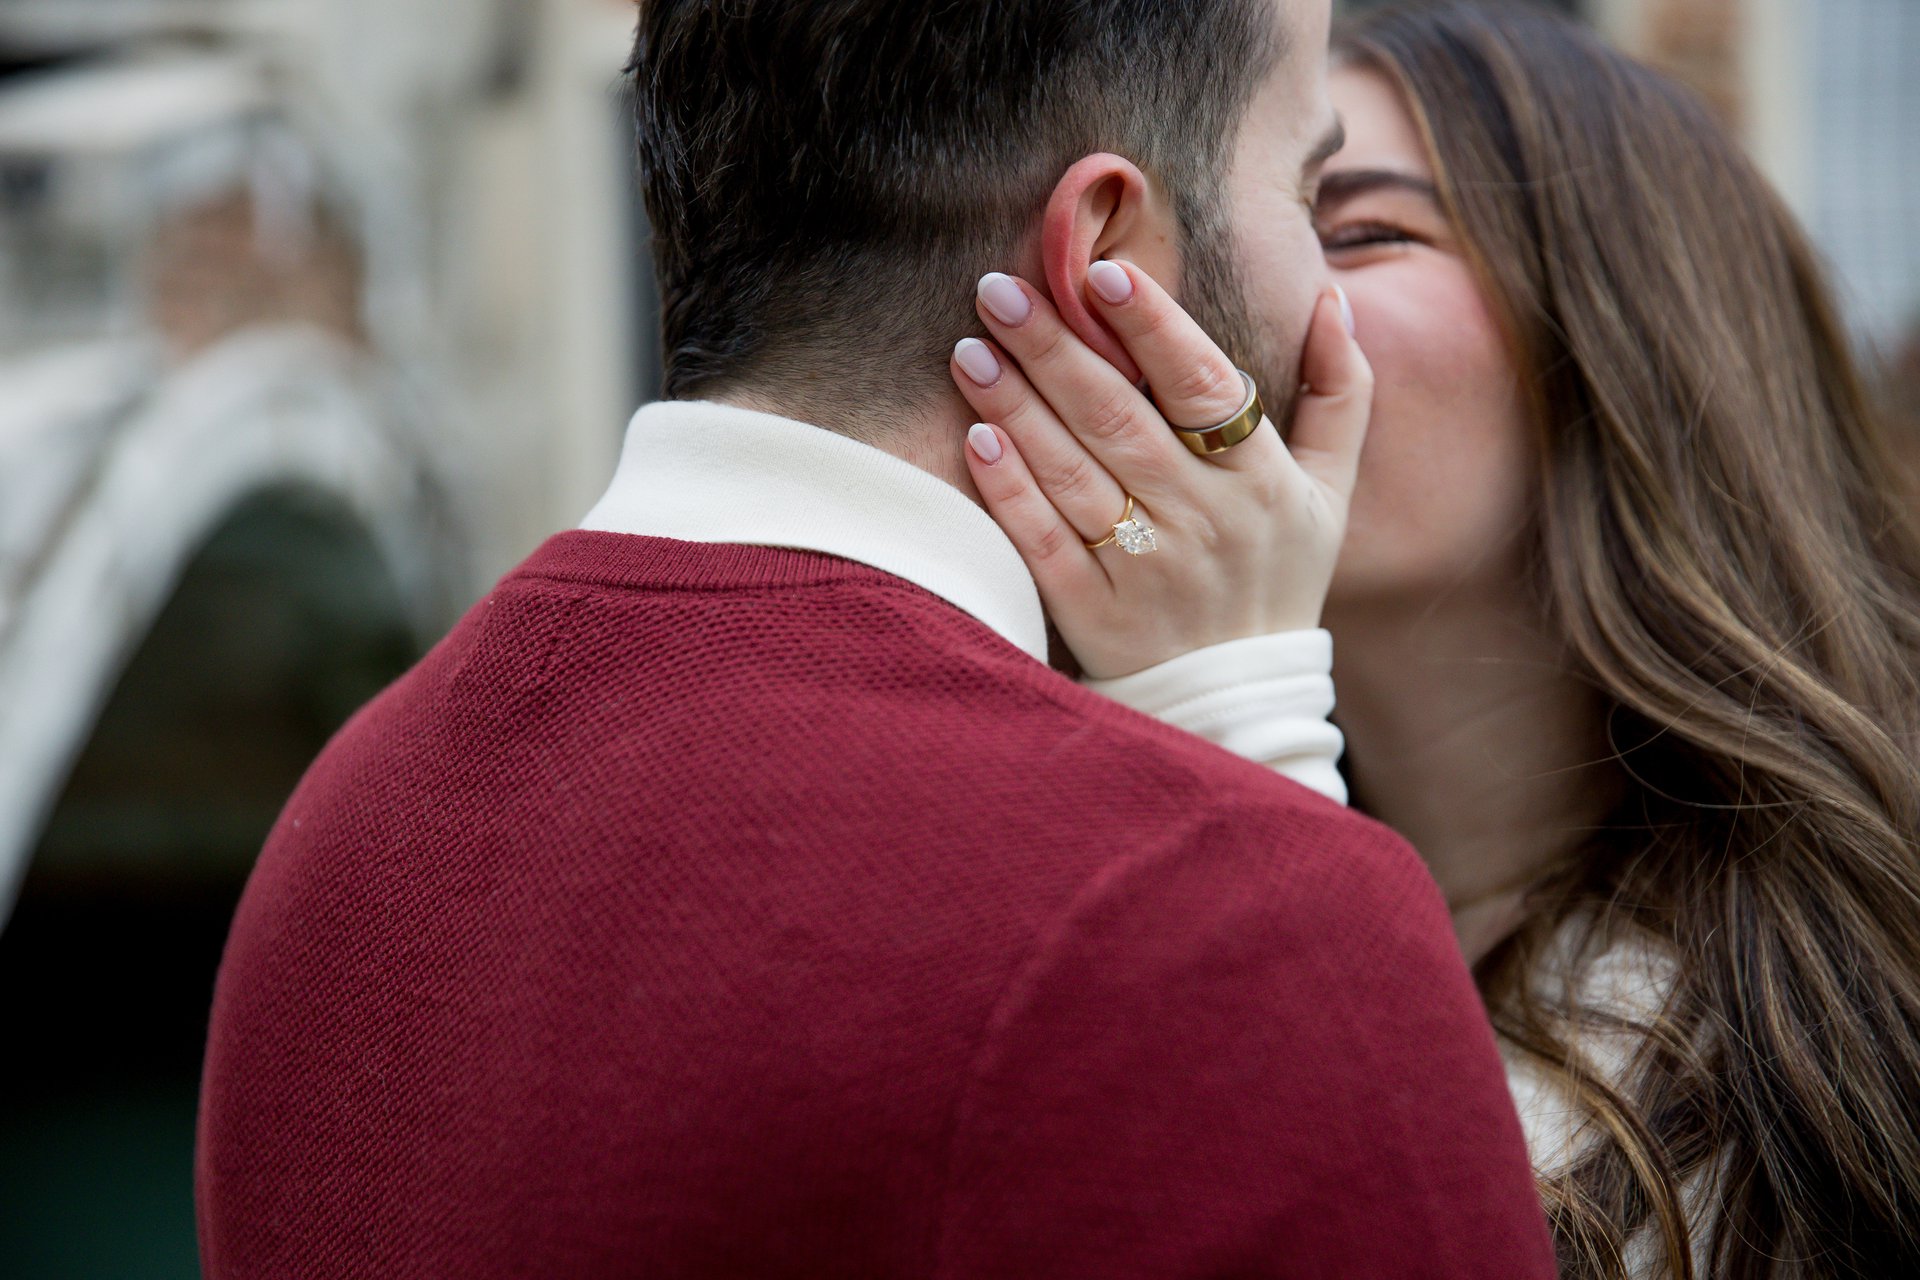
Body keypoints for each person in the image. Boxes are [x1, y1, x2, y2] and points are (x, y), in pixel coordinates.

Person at [193, 2, 1557, 1276]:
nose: (1332, 302)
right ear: (1105, 259)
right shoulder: (1230, 906)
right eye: (1307, 193)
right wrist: (1253, 776)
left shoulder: (338, 828)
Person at [962, 3, 1920, 1276]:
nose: (1248, 308)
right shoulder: (1035, 873)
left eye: (1357, 229)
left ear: (1622, 334)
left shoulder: (1838, 987)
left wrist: (1225, 712)